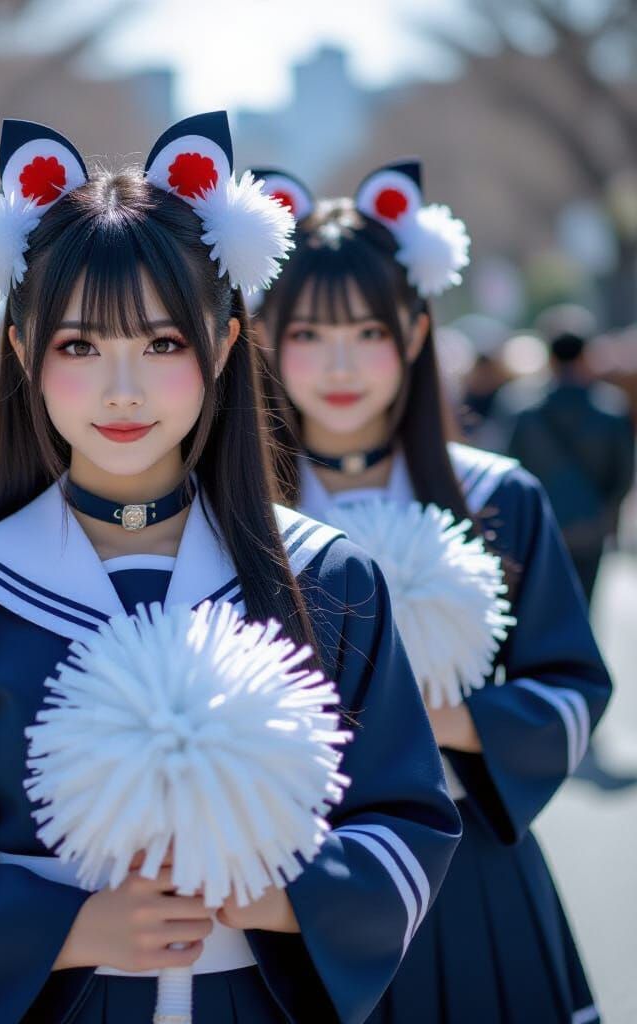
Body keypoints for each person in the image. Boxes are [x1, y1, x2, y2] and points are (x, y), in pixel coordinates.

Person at [0, 113, 461, 1024]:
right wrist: (76, 928)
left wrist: (274, 897)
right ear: (21, 352)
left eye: (163, 345)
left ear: (226, 346)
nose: (122, 389)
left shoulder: (330, 578)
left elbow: (406, 817)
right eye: (79, 347)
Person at [257, 162, 612, 1024]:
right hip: (295, 880)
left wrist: (436, 718)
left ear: (416, 334)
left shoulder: (498, 496)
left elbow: (570, 685)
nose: (340, 365)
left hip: (471, 874)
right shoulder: (237, 516)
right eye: (308, 335)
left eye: (369, 333)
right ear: (261, 339)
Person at [502, 314, 634, 603]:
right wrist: (606, 514)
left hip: (542, 526)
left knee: (545, 608)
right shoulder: (610, 408)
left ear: (549, 357)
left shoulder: (524, 411)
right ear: (586, 356)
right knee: (586, 606)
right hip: (590, 527)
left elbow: (509, 468)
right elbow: (624, 471)